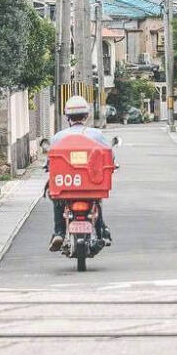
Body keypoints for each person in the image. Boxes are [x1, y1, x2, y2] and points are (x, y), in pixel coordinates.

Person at [48, 94, 113, 251]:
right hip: (92, 184)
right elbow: (109, 155)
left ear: (67, 116)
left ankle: (59, 232)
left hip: (67, 185)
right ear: (86, 115)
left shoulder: (58, 137)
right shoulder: (97, 135)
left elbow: (51, 160)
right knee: (96, 202)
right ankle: (102, 231)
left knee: (56, 198)